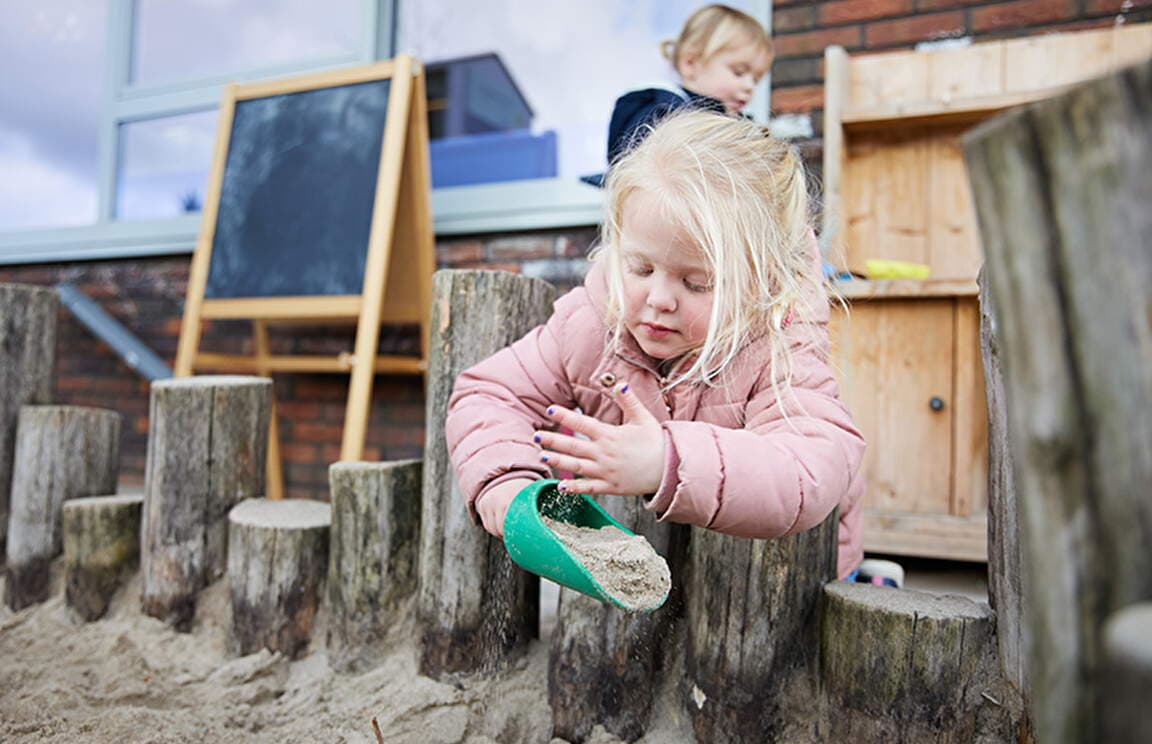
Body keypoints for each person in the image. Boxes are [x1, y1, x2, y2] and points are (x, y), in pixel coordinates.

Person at [446, 110, 865, 580]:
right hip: (650, 576)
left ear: (763, 283)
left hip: (778, 583)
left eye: (698, 283)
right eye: (641, 269)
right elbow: (490, 394)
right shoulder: (590, 324)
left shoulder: (778, 347)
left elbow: (810, 469)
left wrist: (666, 460)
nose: (659, 299)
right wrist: (505, 480)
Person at [606, 4, 773, 169]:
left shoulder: (735, 124)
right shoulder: (662, 110)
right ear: (690, 63)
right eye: (739, 72)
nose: (749, 86)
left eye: (756, 79)